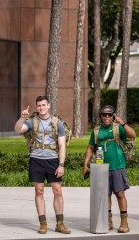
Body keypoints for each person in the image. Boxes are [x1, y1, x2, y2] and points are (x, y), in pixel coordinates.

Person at [14, 95, 70, 234]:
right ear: (36, 107)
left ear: (49, 106)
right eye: (39, 105)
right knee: (39, 191)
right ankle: (43, 223)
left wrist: (61, 165)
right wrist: (22, 118)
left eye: (44, 105)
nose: (41, 108)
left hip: (52, 160)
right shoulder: (32, 121)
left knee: (57, 191)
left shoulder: (58, 123)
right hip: (36, 160)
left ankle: (60, 223)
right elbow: (17, 129)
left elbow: (62, 146)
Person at [82, 105, 136, 233]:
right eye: (104, 114)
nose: (107, 117)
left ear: (113, 116)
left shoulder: (118, 128)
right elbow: (90, 147)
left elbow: (133, 135)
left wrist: (122, 123)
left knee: (120, 194)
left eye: (110, 115)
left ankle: (124, 222)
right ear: (100, 116)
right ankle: (108, 221)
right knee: (105, 195)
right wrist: (85, 164)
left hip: (117, 166)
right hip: (101, 168)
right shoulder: (96, 130)